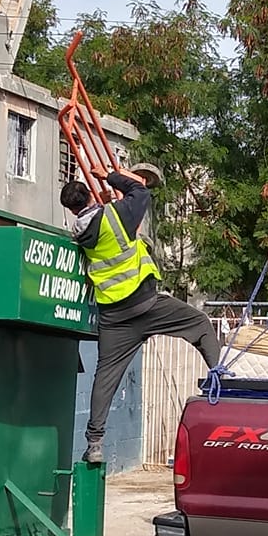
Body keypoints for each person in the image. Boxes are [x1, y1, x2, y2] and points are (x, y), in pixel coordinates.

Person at [61, 170, 222, 466]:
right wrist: (110, 176)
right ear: (89, 196)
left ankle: (94, 443)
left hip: (114, 316)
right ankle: (221, 380)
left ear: (71, 210)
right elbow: (141, 190)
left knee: (105, 378)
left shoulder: (79, 233)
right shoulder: (116, 215)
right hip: (146, 304)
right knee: (200, 324)